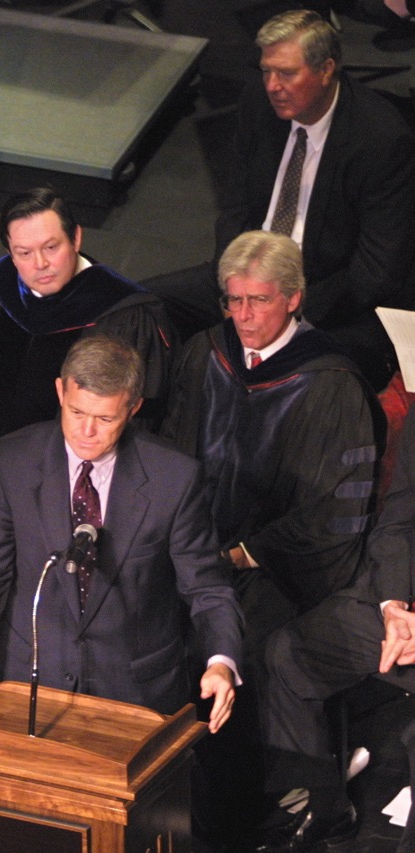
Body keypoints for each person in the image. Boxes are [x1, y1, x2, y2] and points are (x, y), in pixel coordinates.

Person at [161, 230, 383, 849]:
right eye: (233, 300)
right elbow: (173, 456)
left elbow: (330, 517)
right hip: (199, 548)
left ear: (294, 299)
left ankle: (253, 811)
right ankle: (166, 795)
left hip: (285, 568)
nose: (244, 316)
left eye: (258, 300)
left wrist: (237, 554)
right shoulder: (206, 353)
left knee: (242, 642)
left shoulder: (332, 382)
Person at [0, 187, 172, 679]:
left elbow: (129, 425)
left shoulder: (123, 314)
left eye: (52, 247)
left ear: (77, 238)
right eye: (23, 253)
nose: (39, 264)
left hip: (73, 497)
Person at [0, 335, 241, 734]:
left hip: (135, 695)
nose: (86, 432)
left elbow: (206, 588)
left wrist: (221, 662)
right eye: (76, 411)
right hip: (30, 685)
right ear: (60, 390)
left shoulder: (174, 478)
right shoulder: (11, 461)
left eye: (105, 419)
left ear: (133, 408)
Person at [146, 9, 415, 391]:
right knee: (144, 306)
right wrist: (233, 284)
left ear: (326, 70)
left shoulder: (380, 139)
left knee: (286, 377)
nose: (272, 85)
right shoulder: (258, 102)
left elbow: (376, 271)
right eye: (266, 71)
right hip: (249, 273)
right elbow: (235, 206)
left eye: (286, 73)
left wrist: (289, 308)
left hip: (324, 295)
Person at [253, 416, 415, 853]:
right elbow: (400, 520)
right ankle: (323, 809)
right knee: (289, 656)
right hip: (404, 607)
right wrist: (394, 605)